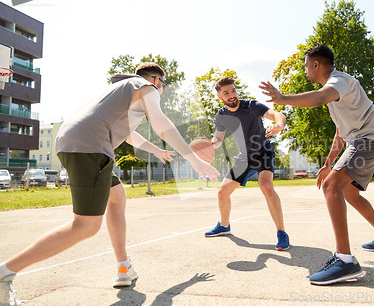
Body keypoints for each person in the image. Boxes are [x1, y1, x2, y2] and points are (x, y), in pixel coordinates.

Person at [0, 62, 219, 306]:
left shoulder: (121, 90)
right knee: (85, 226)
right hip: (91, 146)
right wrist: (194, 160)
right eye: (163, 85)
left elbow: (129, 135)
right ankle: (4, 273)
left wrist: (157, 150)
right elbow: (161, 122)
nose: (162, 89)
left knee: (117, 195)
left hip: (75, 141)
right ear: (157, 80)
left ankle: (123, 267)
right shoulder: (147, 87)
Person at [260, 44, 374, 285]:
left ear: (316, 64)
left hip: (369, 140)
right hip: (367, 139)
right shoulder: (336, 94)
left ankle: (345, 261)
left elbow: (318, 98)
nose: (305, 71)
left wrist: (283, 99)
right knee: (350, 192)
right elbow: (340, 132)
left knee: (331, 186)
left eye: (306, 66)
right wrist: (328, 164)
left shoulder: (339, 82)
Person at [204, 77, 290, 251]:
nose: (231, 95)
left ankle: (281, 233)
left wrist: (279, 124)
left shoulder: (251, 106)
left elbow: (276, 114)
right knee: (222, 193)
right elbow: (219, 138)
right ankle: (224, 225)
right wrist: (212, 144)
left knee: (266, 186)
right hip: (244, 157)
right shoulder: (221, 116)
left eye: (233, 91)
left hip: (263, 152)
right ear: (220, 97)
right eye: (226, 93)